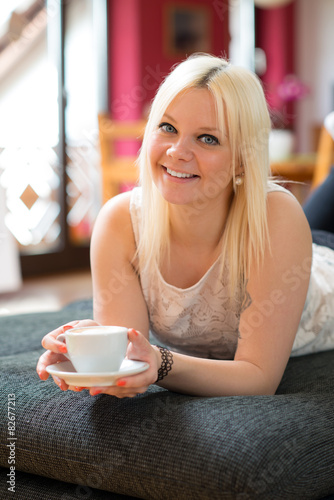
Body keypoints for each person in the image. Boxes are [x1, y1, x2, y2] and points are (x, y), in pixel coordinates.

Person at [37, 53, 334, 398]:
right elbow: (129, 355)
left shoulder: (276, 215)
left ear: (242, 161)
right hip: (293, 248)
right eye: (168, 127)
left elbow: (258, 378)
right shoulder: (119, 222)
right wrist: (89, 342)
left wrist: (161, 364)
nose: (178, 152)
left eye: (207, 138)